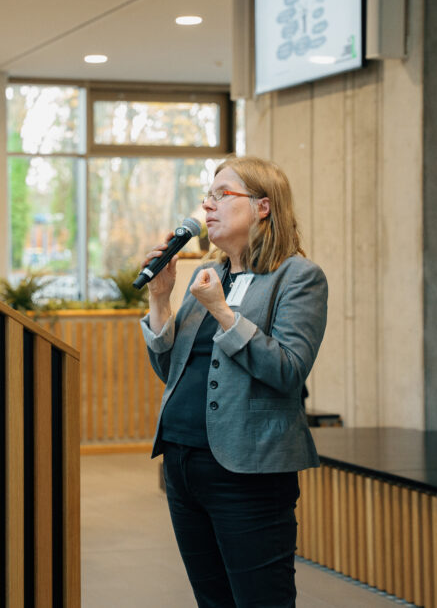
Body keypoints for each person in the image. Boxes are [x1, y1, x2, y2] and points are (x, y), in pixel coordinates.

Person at [140, 157, 328, 608]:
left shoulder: (297, 277)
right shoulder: (210, 276)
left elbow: (287, 369)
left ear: (263, 206)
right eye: (208, 196)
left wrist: (223, 312)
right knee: (213, 600)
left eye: (223, 194)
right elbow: (171, 370)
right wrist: (161, 298)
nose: (209, 206)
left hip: (247, 469)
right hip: (183, 464)